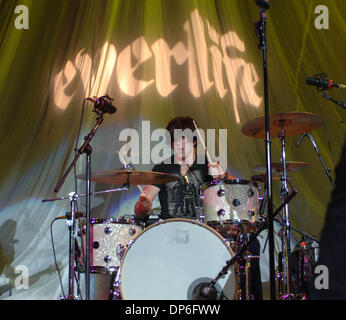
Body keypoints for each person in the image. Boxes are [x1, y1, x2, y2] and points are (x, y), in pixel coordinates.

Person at [134, 116, 263, 300]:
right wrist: (143, 205)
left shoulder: (208, 166)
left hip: (206, 235)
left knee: (251, 243)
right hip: (171, 236)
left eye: (183, 139)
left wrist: (224, 175)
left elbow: (242, 195)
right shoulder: (162, 168)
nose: (179, 144)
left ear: (195, 139)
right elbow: (140, 210)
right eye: (174, 140)